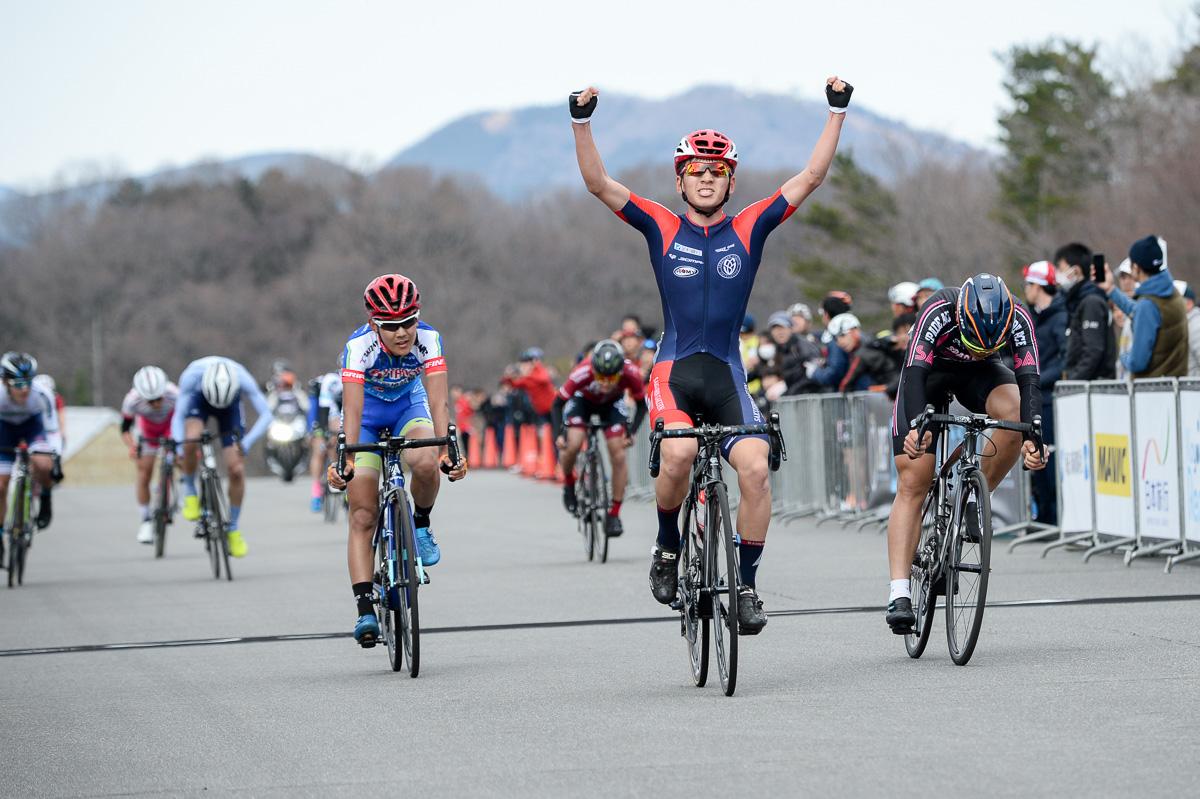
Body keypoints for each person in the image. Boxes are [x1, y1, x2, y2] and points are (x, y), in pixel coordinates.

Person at [570, 75, 852, 633]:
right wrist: (581, 121)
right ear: (680, 180)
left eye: (716, 170)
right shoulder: (660, 224)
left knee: (756, 471)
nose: (705, 178)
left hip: (725, 375)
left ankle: (745, 584)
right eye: (696, 171)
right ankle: (668, 546)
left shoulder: (750, 226)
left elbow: (812, 176)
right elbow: (599, 183)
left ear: (729, 180)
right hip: (673, 372)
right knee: (675, 457)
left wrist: (836, 112)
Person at [883, 275, 1047, 634]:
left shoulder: (1018, 317)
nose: (976, 347)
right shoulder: (938, 309)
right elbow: (913, 373)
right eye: (973, 341)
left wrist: (1035, 438)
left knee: (1017, 417)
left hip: (979, 376)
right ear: (961, 316)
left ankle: (972, 495)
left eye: (987, 343)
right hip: (928, 376)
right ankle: (899, 593)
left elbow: (1030, 383)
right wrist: (916, 429)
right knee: (914, 479)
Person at [326, 274, 467, 648]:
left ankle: (419, 524)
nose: (403, 333)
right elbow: (352, 409)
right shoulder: (359, 346)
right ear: (375, 324)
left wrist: (446, 452)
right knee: (363, 514)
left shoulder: (429, 339)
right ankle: (364, 609)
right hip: (368, 416)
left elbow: (439, 402)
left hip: (409, 406)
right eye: (391, 326)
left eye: (409, 321)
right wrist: (347, 459)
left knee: (424, 463)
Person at [171, 356, 274, 559]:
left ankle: (233, 528)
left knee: (236, 470)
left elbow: (266, 415)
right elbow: (178, 416)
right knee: (191, 440)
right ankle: (190, 490)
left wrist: (247, 442)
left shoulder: (242, 377)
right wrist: (178, 447)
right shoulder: (192, 377)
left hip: (230, 408)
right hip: (199, 402)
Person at [552, 340, 647, 537]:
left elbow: (641, 405)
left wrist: (631, 432)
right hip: (582, 402)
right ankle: (569, 483)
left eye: (611, 377)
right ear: (593, 369)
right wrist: (559, 435)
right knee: (573, 443)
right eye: (600, 376)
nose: (605, 382)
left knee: (618, 454)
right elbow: (556, 404)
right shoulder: (582, 371)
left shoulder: (631, 373)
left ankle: (614, 515)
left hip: (612, 405)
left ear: (620, 372)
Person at [1098, 235, 1187, 378]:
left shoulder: (1148, 305)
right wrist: (1110, 289)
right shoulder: (1172, 294)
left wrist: (1124, 357)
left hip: (1151, 392)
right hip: (1172, 387)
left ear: (1136, 267)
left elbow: (1137, 363)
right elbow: (1138, 310)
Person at [1022, 261, 1067, 526]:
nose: (1025, 289)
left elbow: (1064, 361)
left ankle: (1054, 517)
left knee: (1046, 456)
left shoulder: (1060, 316)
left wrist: (1035, 379)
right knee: (1033, 456)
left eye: (1028, 284)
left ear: (1038, 286)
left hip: (1050, 399)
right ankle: (1045, 516)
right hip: (1035, 396)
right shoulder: (1033, 315)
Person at [0, 352, 63, 533]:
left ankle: (45, 496)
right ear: (5, 382)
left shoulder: (42, 393)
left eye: (28, 383)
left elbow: (52, 429)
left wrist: (56, 458)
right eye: (18, 385)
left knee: (44, 465)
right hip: (4, 430)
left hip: (32, 427)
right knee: (0, 487)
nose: (25, 389)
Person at [120, 366, 180, 543]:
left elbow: (186, 419)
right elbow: (124, 428)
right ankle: (146, 519)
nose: (156, 404)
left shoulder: (174, 393)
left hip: (170, 426)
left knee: (181, 456)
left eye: (159, 398)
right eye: (150, 401)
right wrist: (132, 446)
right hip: (147, 431)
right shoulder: (131, 399)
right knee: (144, 471)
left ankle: (182, 485)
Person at [1054, 242, 1116, 381]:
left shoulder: (1091, 302)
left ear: (1075, 270)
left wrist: (1073, 382)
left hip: (1094, 390)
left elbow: (1093, 351)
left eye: (1061, 268)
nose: (1058, 274)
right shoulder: (1077, 301)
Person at [306, 369, 343, 512]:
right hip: (321, 406)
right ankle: (316, 492)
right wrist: (320, 432)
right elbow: (324, 410)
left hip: (340, 407)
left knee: (338, 437)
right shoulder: (331, 380)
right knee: (320, 448)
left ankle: (339, 468)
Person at [832, 313, 899, 392]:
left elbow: (846, 383)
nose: (840, 341)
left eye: (843, 335)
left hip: (894, 388)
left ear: (855, 331)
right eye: (835, 339)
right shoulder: (870, 342)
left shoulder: (862, 353)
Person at [502, 348, 556, 426]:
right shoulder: (526, 379)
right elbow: (515, 385)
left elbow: (544, 379)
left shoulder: (538, 371)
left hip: (551, 407)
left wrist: (528, 374)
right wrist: (508, 377)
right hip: (540, 410)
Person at [1180, 283, 1200, 377]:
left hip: (1194, 389)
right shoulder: (1185, 325)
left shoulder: (1196, 326)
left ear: (1189, 304)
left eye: (1176, 301)